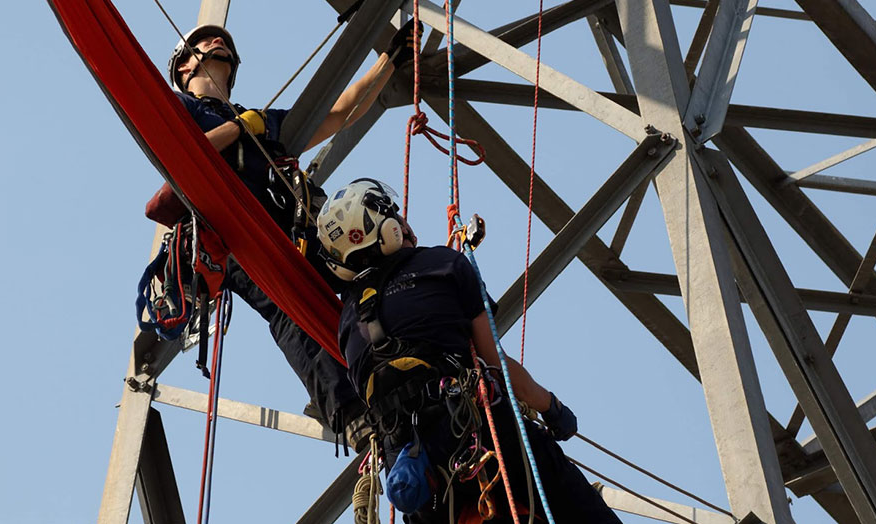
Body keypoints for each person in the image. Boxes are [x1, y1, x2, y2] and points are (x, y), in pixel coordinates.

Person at [140, 22, 414, 439]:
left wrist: (389, 60)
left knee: (376, 266)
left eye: (223, 42)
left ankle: (420, 347)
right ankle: (344, 407)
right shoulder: (181, 108)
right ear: (183, 65)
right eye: (203, 42)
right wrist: (243, 129)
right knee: (288, 305)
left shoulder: (259, 121)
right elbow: (183, 156)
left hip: (301, 232)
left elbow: (340, 113)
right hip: (237, 236)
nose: (217, 41)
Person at [317, 179, 621, 523]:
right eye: (395, 216)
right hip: (478, 434)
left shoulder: (346, 323)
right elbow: (499, 367)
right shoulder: (442, 265)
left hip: (413, 473)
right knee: (580, 507)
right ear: (389, 230)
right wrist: (553, 409)